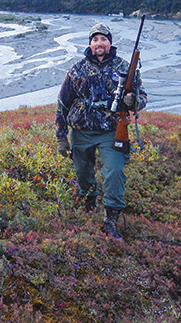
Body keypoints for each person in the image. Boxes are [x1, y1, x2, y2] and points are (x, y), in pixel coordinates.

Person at [55, 23, 147, 240]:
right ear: (90, 44)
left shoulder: (125, 67)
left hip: (111, 131)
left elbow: (142, 96)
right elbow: (62, 104)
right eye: (95, 39)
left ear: (110, 43)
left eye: (103, 39)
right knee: (83, 174)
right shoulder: (76, 70)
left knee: (114, 171)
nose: (99, 43)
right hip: (81, 131)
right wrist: (61, 138)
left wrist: (133, 101)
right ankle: (89, 203)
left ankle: (111, 218)